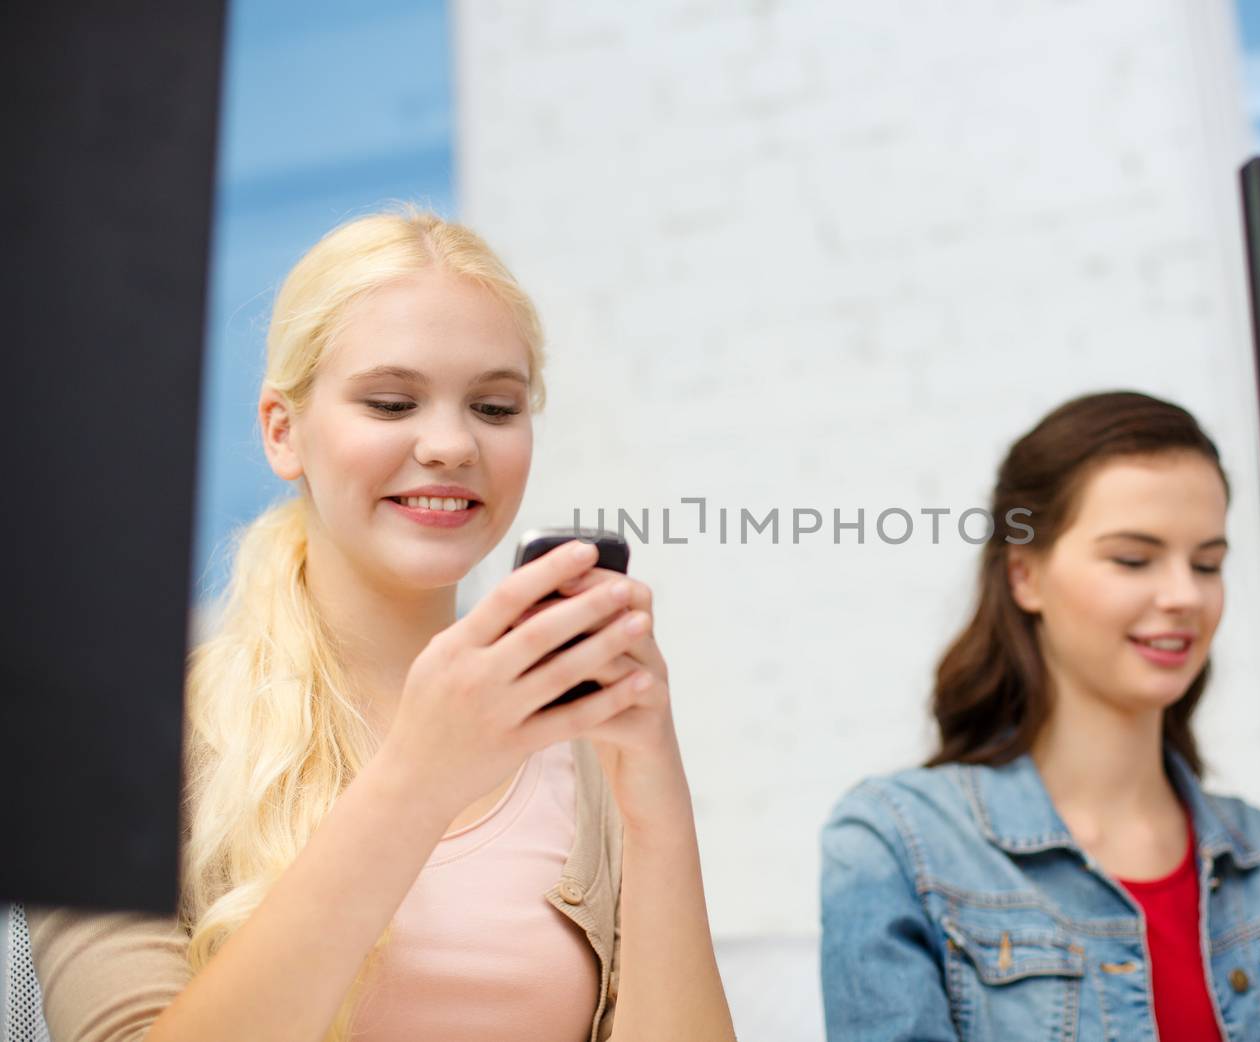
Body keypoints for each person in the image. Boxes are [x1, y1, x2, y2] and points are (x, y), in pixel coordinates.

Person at [26, 209, 736, 1042]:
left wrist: (659, 810)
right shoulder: (118, 742)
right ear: (281, 431)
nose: (449, 444)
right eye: (393, 402)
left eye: (495, 407)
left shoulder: (582, 744)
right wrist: (419, 776)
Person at [819, 391, 1260, 1042]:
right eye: (1134, 559)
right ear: (1024, 575)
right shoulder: (897, 843)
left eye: (1207, 563)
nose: (1183, 597)